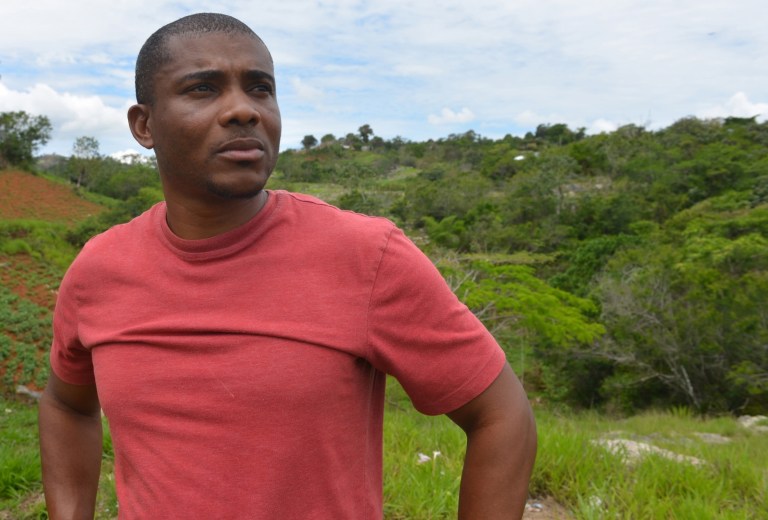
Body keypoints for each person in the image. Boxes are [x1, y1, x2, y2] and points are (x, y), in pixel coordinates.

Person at [38, 12, 536, 520]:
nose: (242, 110)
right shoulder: (99, 270)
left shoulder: (366, 256)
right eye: (203, 89)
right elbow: (66, 404)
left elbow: (501, 414)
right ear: (144, 125)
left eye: (260, 89)